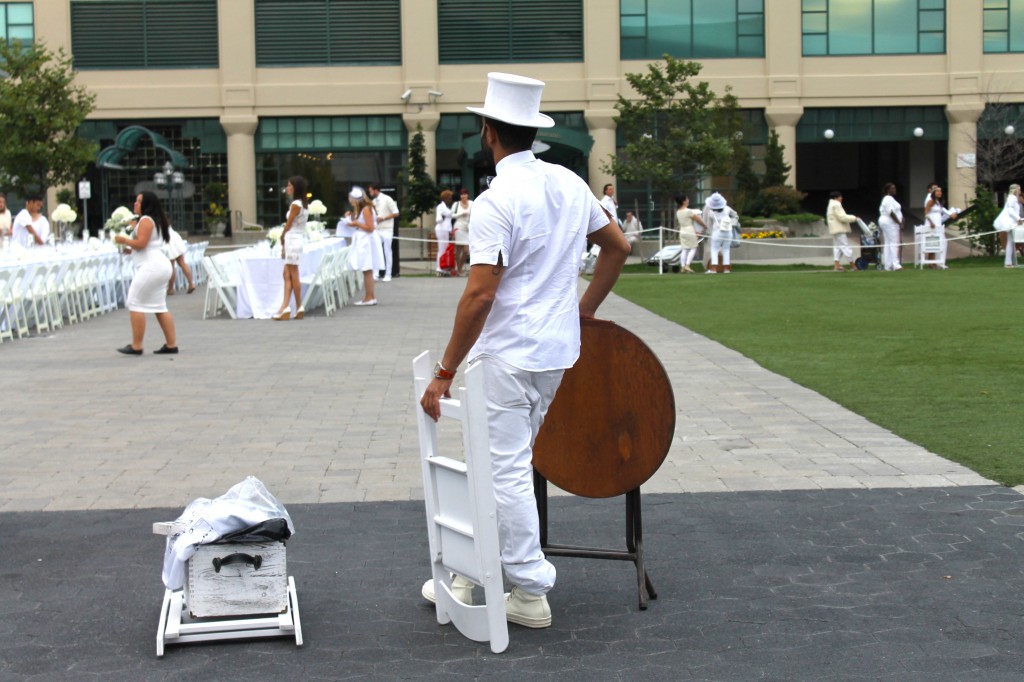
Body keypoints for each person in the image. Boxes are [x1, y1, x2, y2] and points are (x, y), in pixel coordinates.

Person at [418, 72, 630, 629]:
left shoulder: (495, 200)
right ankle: (471, 567)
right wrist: (582, 311)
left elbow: (481, 292)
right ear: (530, 130)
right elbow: (618, 248)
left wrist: (445, 370)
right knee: (499, 463)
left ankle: (530, 589)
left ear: (488, 131)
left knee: (504, 469)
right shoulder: (567, 182)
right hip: (554, 351)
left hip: (508, 354)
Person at [113, 191, 177, 355]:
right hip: (159, 265)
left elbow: (141, 244)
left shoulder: (146, 220)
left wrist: (123, 240)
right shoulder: (153, 220)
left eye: (139, 201)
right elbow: (146, 245)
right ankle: (171, 344)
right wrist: (129, 249)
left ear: (146, 204)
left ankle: (137, 345)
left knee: (134, 302)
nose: (135, 204)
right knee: (159, 306)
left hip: (152, 267)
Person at [272, 176, 308, 320]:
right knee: (287, 273)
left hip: (292, 238)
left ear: (295, 188)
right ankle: (286, 306)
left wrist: (282, 236)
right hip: (296, 238)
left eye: (289, 185)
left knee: (293, 273)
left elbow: (289, 223)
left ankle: (298, 305)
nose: (287, 188)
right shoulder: (304, 205)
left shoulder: (296, 204)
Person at [343, 186, 383, 306]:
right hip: (364, 239)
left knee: (367, 269)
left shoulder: (366, 209)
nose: (350, 201)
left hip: (367, 241)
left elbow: (370, 228)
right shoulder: (362, 209)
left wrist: (356, 223)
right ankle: (369, 296)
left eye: (351, 199)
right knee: (366, 270)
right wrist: (350, 218)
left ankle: (369, 297)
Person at [369, 183, 399, 281]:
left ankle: (388, 274)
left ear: (375, 190)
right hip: (377, 229)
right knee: (376, 250)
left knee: (387, 251)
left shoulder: (387, 199)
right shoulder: (373, 201)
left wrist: (384, 218)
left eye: (371, 191)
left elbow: (396, 213)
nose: (370, 193)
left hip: (387, 229)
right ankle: (376, 273)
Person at [702, 192, 737, 274]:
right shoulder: (727, 209)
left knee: (714, 250)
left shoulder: (711, 212)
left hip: (717, 232)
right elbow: (735, 215)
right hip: (728, 232)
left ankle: (713, 269)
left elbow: (709, 225)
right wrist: (731, 223)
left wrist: (707, 232)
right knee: (726, 250)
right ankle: (726, 269)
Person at [924, 186, 956, 270]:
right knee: (934, 243)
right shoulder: (931, 201)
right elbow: (926, 213)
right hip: (932, 224)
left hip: (938, 225)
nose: (940, 193)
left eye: (940, 192)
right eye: (938, 191)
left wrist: (951, 214)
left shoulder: (938, 202)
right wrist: (931, 222)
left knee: (940, 242)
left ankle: (937, 262)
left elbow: (943, 210)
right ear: (934, 193)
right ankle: (934, 262)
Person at [826, 191, 858, 272]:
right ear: (836, 198)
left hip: (835, 229)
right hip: (839, 229)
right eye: (840, 197)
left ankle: (837, 265)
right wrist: (854, 218)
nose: (841, 198)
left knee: (838, 247)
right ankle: (853, 265)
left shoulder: (831, 204)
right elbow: (842, 217)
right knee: (845, 246)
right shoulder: (836, 204)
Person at [675, 196, 706, 274]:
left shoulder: (678, 211)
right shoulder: (688, 211)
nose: (688, 201)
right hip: (689, 230)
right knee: (693, 248)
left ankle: (682, 266)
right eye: (687, 199)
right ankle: (687, 265)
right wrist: (705, 226)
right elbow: (698, 220)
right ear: (684, 201)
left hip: (682, 230)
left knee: (685, 249)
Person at [994, 184, 1022, 268]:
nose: (1020, 191)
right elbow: (1010, 211)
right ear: (1015, 190)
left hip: (1012, 223)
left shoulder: (1013, 198)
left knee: (1010, 242)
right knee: (1010, 242)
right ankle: (1008, 262)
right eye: (1019, 189)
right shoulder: (1011, 198)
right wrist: (1018, 218)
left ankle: (1009, 262)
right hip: (1010, 223)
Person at [878, 183, 904, 271]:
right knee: (894, 243)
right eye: (892, 188)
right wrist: (899, 222)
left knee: (888, 243)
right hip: (890, 223)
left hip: (887, 222)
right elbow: (891, 212)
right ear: (887, 190)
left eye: (895, 188)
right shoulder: (888, 198)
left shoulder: (890, 199)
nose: (894, 190)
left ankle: (888, 265)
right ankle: (896, 265)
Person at [164, 226, 196, 294]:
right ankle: (191, 283)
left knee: (171, 265)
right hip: (175, 238)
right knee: (182, 263)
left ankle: (171, 288)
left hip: (168, 240)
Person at [451, 187, 473, 276]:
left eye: (465, 194)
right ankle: (459, 270)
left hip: (467, 227)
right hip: (459, 227)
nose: (463, 196)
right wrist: (461, 214)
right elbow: (452, 215)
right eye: (462, 194)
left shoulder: (472, 203)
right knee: (459, 249)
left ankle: (459, 268)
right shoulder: (456, 204)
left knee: (465, 250)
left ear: (467, 195)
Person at [435, 189, 454, 275]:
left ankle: (443, 267)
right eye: (449, 198)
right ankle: (439, 268)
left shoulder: (446, 207)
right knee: (442, 248)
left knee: (444, 248)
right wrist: (442, 217)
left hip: (446, 229)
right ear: (445, 198)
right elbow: (439, 219)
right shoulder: (441, 207)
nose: (450, 200)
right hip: (442, 229)